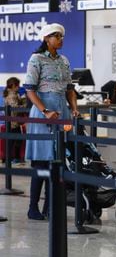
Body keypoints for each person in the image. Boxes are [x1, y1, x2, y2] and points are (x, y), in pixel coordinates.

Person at [23, 23, 80, 220]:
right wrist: (45, 110)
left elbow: (70, 88)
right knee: (40, 162)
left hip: (61, 112)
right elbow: (29, 89)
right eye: (57, 37)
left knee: (56, 161)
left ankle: (50, 206)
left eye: (62, 37)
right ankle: (33, 207)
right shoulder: (36, 59)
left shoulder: (64, 60)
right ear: (47, 38)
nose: (61, 40)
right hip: (42, 114)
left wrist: (74, 108)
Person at [3, 77, 26, 163]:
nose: (18, 87)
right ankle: (14, 158)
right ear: (13, 85)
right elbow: (15, 108)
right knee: (17, 140)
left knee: (12, 141)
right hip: (14, 122)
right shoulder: (12, 95)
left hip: (11, 121)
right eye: (17, 85)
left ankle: (8, 158)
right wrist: (23, 100)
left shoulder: (12, 94)